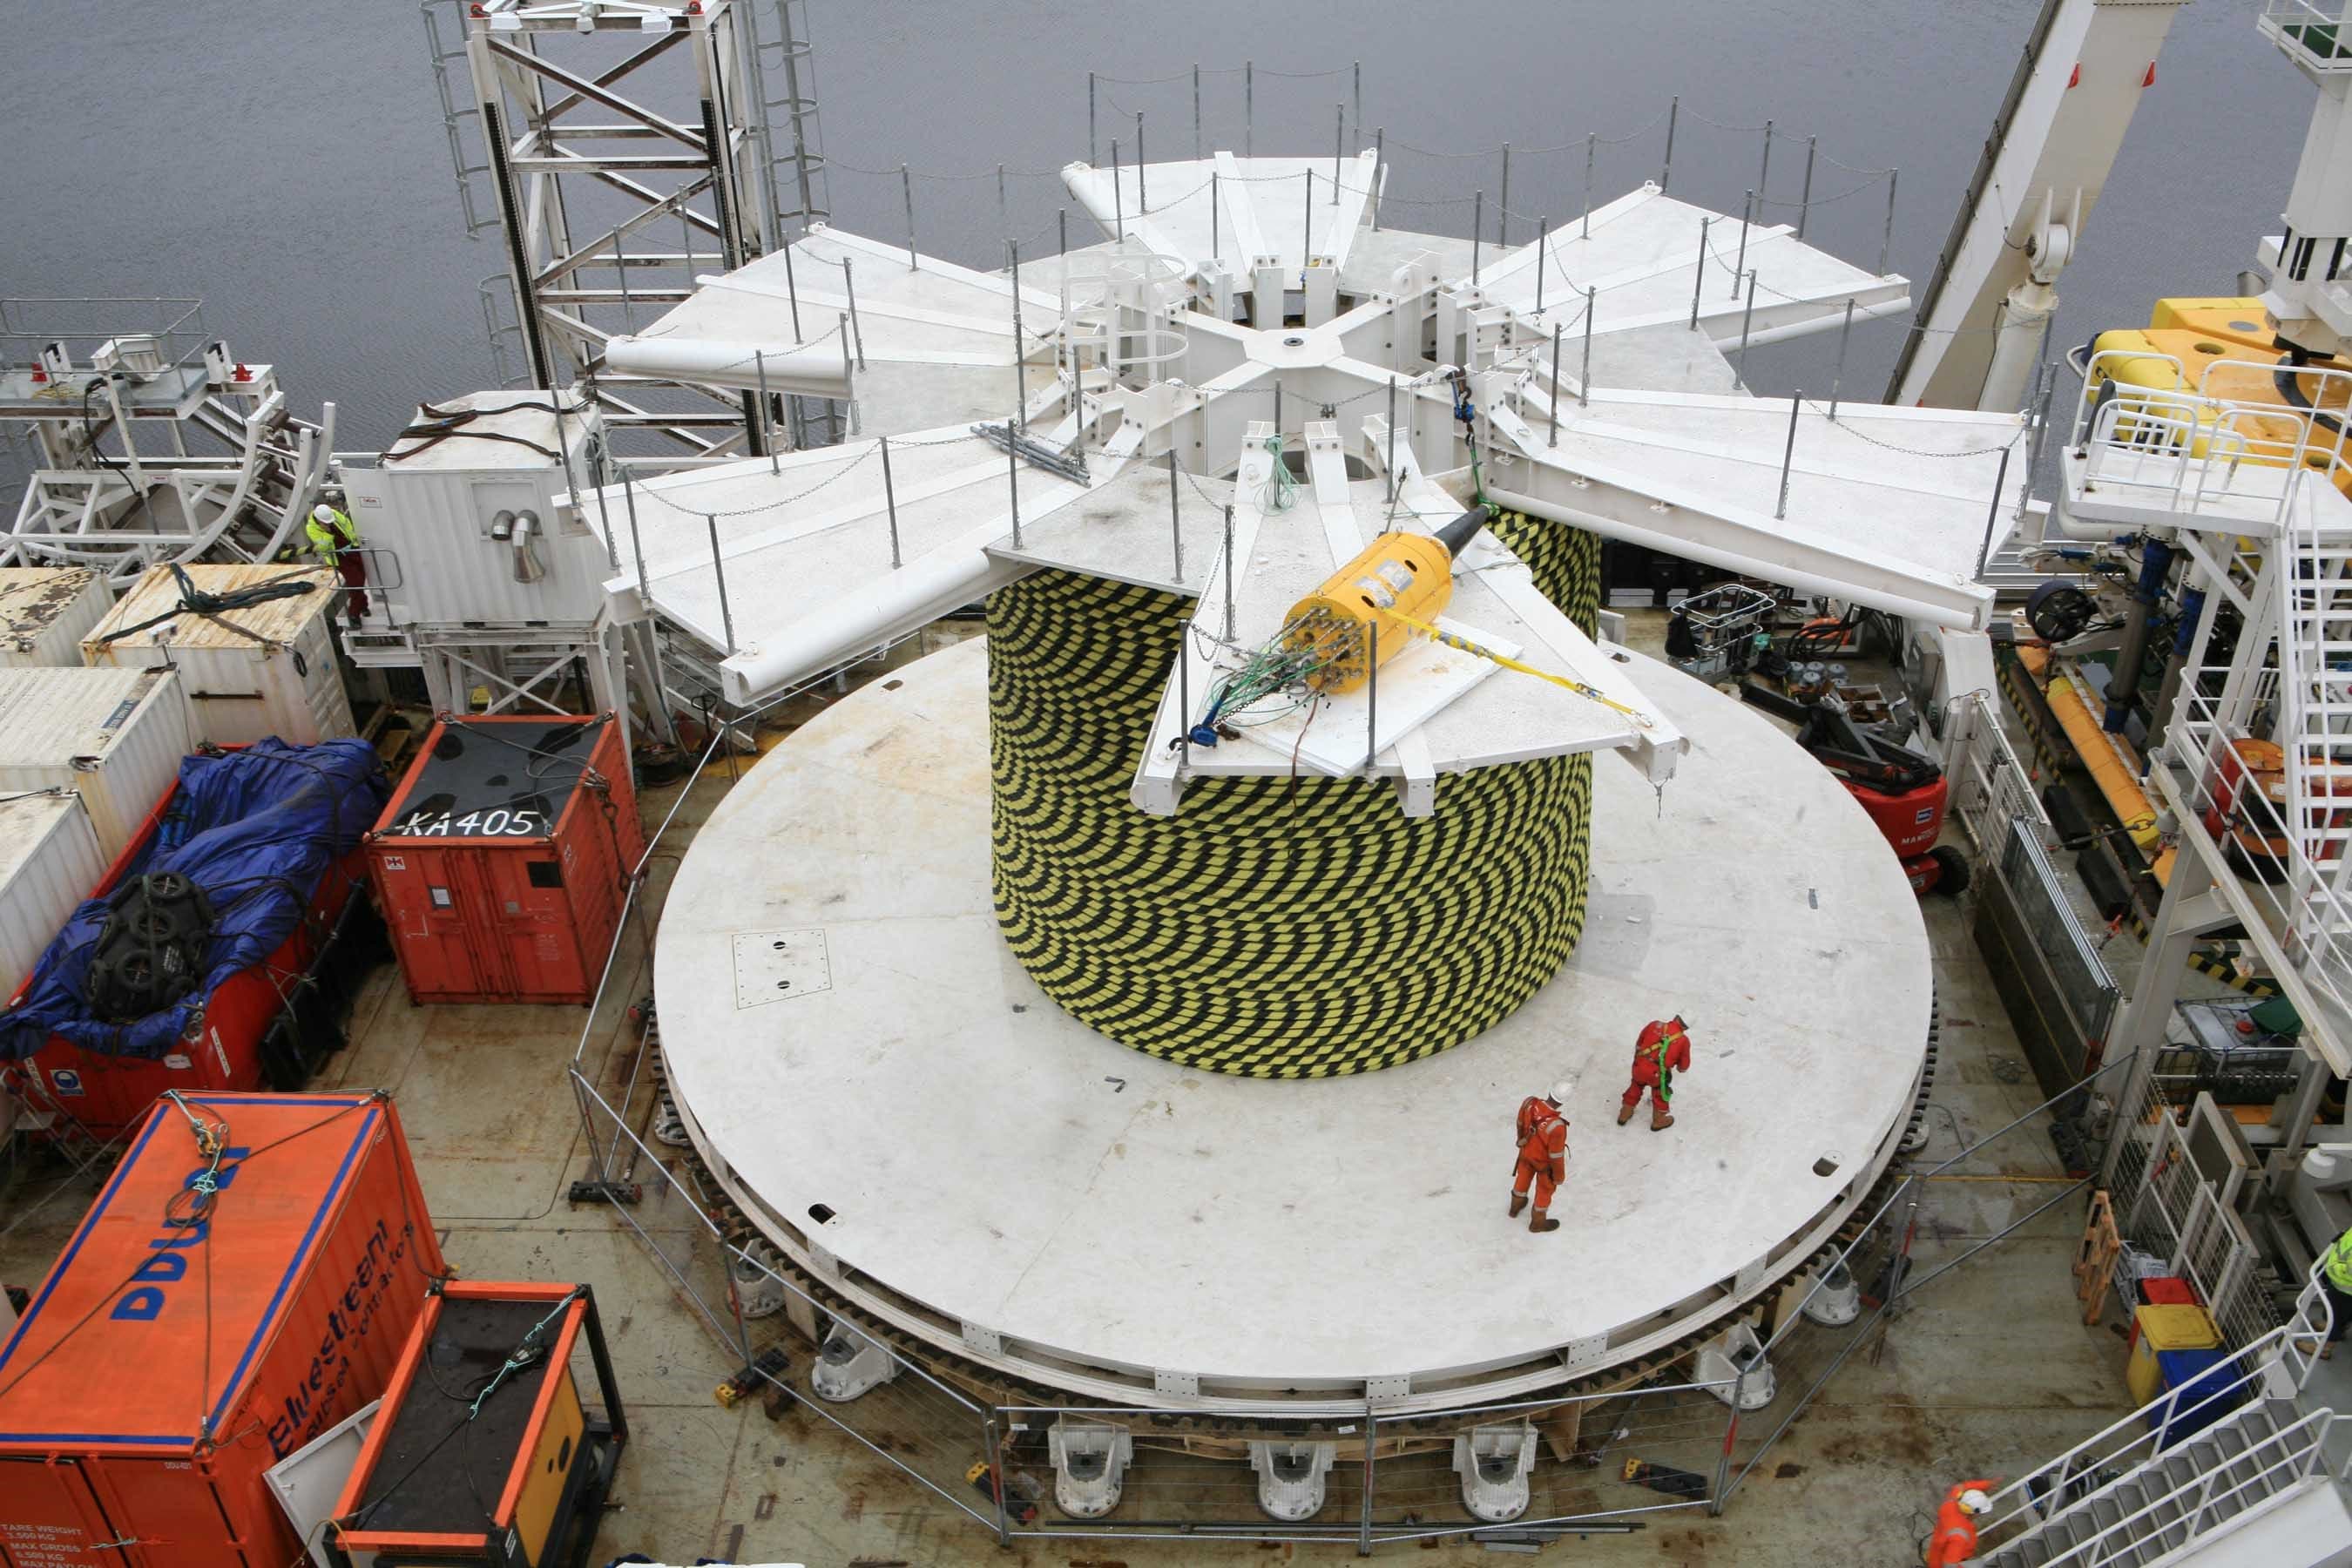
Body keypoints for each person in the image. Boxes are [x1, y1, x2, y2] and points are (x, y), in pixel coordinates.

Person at [1509, 1078, 1573, 1235]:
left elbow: (1519, 1124)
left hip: (1526, 1154)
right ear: (1563, 1102)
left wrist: (1521, 1142)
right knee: (1545, 1190)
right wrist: (1558, 1176)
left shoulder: (1529, 1103)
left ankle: (1515, 1207)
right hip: (1543, 1165)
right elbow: (1556, 1156)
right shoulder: (1557, 1126)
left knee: (1522, 1179)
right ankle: (1538, 1222)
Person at [1619, 1016, 1692, 1132]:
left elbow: (1639, 1043)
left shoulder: (1654, 1025)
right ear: (1686, 1027)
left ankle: (1624, 1114)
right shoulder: (1684, 1040)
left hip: (1639, 1066)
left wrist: (1639, 1059)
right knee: (1660, 1094)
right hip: (1657, 1074)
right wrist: (1679, 1067)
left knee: (1635, 1087)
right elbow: (1684, 1066)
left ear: (1676, 1018)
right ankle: (1658, 1121)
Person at [305, 501, 368, 625]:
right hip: (339, 557)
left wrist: (353, 542)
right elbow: (323, 547)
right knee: (355, 582)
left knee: (361, 577)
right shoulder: (311, 528)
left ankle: (363, 605)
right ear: (318, 521)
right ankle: (354, 614)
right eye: (326, 523)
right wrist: (327, 532)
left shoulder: (334, 515)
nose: (329, 523)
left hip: (353, 549)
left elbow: (347, 526)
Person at [1923, 1480, 1995, 1566]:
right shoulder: (1960, 1536)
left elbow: (1960, 1487)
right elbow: (1949, 1565)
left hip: (1935, 1550)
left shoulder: (1951, 1503)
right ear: (1974, 1512)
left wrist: (1987, 1484)